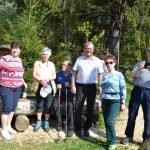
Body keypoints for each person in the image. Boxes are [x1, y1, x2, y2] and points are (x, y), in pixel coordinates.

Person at [71, 41, 104, 137]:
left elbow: (100, 74)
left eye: (90, 48)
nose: (88, 50)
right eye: (87, 48)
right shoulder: (79, 59)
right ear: (84, 49)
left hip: (92, 86)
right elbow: (74, 73)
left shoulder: (97, 61)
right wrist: (73, 85)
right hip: (80, 86)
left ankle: (86, 129)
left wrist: (100, 86)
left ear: (93, 50)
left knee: (90, 108)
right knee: (78, 107)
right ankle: (77, 128)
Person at [121, 48, 150, 144]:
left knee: (148, 116)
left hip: (148, 92)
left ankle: (147, 138)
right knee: (132, 114)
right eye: (149, 51)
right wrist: (139, 68)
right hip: (136, 90)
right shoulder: (140, 63)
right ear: (147, 52)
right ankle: (129, 136)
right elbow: (132, 76)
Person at [0, 41, 27, 141]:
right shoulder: (5, 59)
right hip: (6, 87)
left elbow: (18, 72)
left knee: (12, 108)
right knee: (6, 108)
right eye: (14, 48)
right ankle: (3, 130)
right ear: (11, 49)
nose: (16, 50)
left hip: (17, 87)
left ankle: (8, 126)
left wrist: (23, 81)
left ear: (20, 50)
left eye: (18, 48)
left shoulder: (19, 60)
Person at [100, 54, 126, 150]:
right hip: (105, 99)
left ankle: (113, 142)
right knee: (106, 121)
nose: (109, 64)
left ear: (114, 63)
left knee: (110, 120)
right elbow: (101, 89)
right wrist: (100, 100)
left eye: (111, 62)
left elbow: (123, 88)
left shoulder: (119, 75)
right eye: (107, 63)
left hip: (115, 100)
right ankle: (109, 139)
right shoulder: (104, 75)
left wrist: (123, 102)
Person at [32, 47, 56, 132]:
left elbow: (54, 76)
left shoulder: (52, 64)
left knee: (48, 105)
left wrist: (48, 79)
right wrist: (41, 80)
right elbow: (34, 75)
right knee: (39, 104)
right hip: (39, 85)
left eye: (46, 54)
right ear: (41, 54)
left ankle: (46, 122)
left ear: (49, 55)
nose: (45, 56)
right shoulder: (37, 63)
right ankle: (38, 121)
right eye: (43, 54)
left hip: (49, 85)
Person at [53, 60, 74, 137]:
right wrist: (56, 86)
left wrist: (69, 85)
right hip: (59, 93)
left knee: (70, 107)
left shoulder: (72, 75)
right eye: (62, 64)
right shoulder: (58, 74)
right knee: (56, 106)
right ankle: (59, 124)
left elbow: (76, 87)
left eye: (65, 65)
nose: (63, 66)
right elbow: (52, 84)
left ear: (69, 67)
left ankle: (70, 128)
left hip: (68, 93)